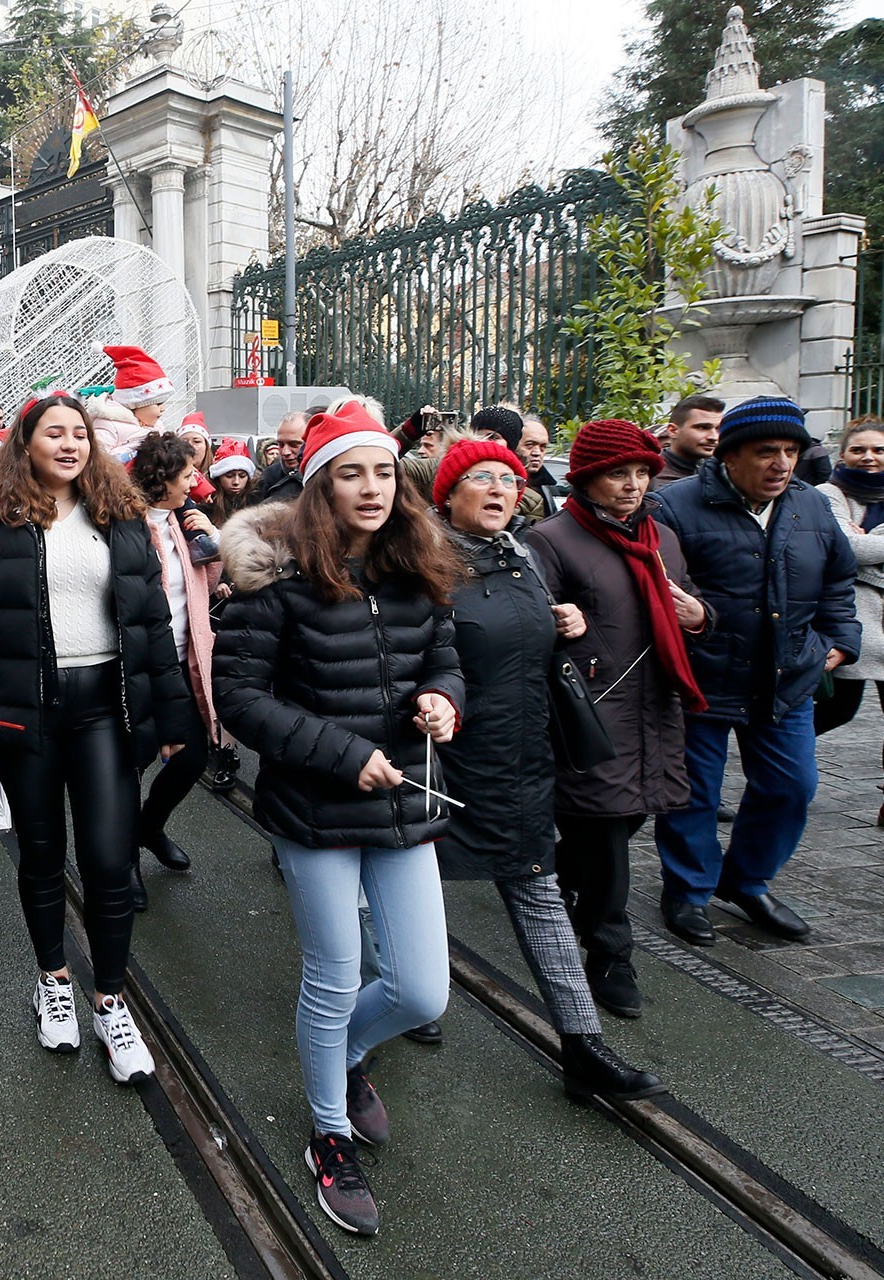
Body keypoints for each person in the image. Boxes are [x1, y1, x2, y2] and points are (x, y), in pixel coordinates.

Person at [212, 398, 463, 1238]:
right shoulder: (274, 576)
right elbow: (240, 698)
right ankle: (327, 1130)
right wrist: (340, 753)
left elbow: (446, 657)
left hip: (403, 800)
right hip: (316, 806)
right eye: (351, 473)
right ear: (319, 485)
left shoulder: (415, 562)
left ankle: (349, 1055)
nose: (372, 488)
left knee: (422, 987)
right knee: (332, 972)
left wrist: (442, 698)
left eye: (384, 472)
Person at [0, 390, 194, 1086]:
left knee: (110, 863)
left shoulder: (122, 516)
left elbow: (149, 630)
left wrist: (173, 718)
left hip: (105, 709)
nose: (71, 443)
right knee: (42, 856)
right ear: (26, 443)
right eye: (55, 433)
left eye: (79, 433)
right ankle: (53, 981)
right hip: (27, 714)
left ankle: (110, 999)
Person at [430, 434, 665, 1099]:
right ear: (448, 496)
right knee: (406, 891)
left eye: (507, 478)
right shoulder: (422, 563)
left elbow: (532, 640)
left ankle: (583, 1047)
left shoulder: (524, 556)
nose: (500, 489)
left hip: (524, 759)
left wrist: (565, 620)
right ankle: (395, 1006)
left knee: (537, 890)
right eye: (481, 478)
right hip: (447, 764)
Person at [654, 397, 860, 944]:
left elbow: (837, 583)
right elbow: (656, 589)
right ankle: (688, 890)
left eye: (791, 451)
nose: (782, 464)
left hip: (785, 677)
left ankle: (746, 881)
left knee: (791, 787)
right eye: (767, 452)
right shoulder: (675, 506)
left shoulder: (810, 506)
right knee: (693, 791)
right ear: (731, 455)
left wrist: (840, 641)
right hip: (703, 676)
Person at [524, 419, 709, 1016]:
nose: (632, 485)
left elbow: (689, 605)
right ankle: (609, 951)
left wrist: (699, 616)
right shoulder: (552, 539)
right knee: (606, 836)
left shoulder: (663, 539)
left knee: (623, 824)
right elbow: (531, 622)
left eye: (640, 473)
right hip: (591, 712)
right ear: (585, 478)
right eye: (617, 474)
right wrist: (558, 624)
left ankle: (546, 878)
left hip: (655, 708)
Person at [128, 432, 226, 899]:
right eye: (188, 474)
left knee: (192, 759)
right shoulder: (123, 524)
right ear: (163, 476)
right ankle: (123, 859)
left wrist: (213, 539)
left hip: (184, 663)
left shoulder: (184, 522)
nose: (196, 481)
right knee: (130, 763)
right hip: (133, 669)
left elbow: (209, 582)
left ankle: (149, 826)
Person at [814, 420, 884, 805]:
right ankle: (775, 758)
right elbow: (846, 550)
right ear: (843, 455)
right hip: (856, 619)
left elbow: (860, 551)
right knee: (838, 708)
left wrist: (869, 540)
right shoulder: (828, 493)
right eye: (859, 450)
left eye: (878, 450)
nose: (869, 457)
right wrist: (860, 547)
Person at [655, 394, 724, 488]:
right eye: (702, 428)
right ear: (673, 431)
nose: (713, 437)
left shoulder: (722, 473)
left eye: (718, 428)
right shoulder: (650, 476)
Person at [246, 411, 307, 506]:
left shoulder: (324, 476)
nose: (285, 452)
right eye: (281, 444)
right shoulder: (268, 477)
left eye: (294, 444)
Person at [205, 437, 255, 525]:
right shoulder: (206, 502)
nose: (236, 482)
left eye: (242, 476)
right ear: (218, 477)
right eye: (229, 476)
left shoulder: (256, 500)